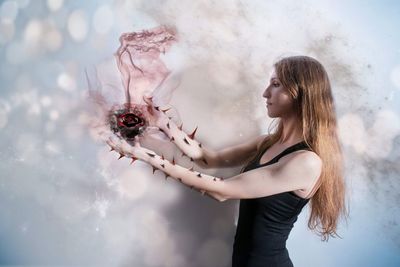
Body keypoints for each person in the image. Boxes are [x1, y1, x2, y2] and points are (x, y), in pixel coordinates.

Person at [107, 55, 348, 267]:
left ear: (300, 93)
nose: (265, 93)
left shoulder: (306, 162)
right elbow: (207, 159)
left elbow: (222, 190)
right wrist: (163, 123)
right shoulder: (267, 143)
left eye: (275, 85)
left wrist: (145, 156)